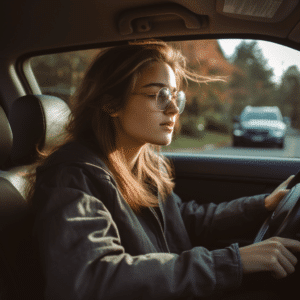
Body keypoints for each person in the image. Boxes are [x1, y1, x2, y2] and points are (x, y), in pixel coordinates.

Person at [29, 39, 300, 300]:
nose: (173, 109)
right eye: (158, 95)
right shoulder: (72, 177)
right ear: (111, 103)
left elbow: (184, 221)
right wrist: (231, 262)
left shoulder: (144, 164)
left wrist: (261, 205)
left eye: (173, 96)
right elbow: (91, 278)